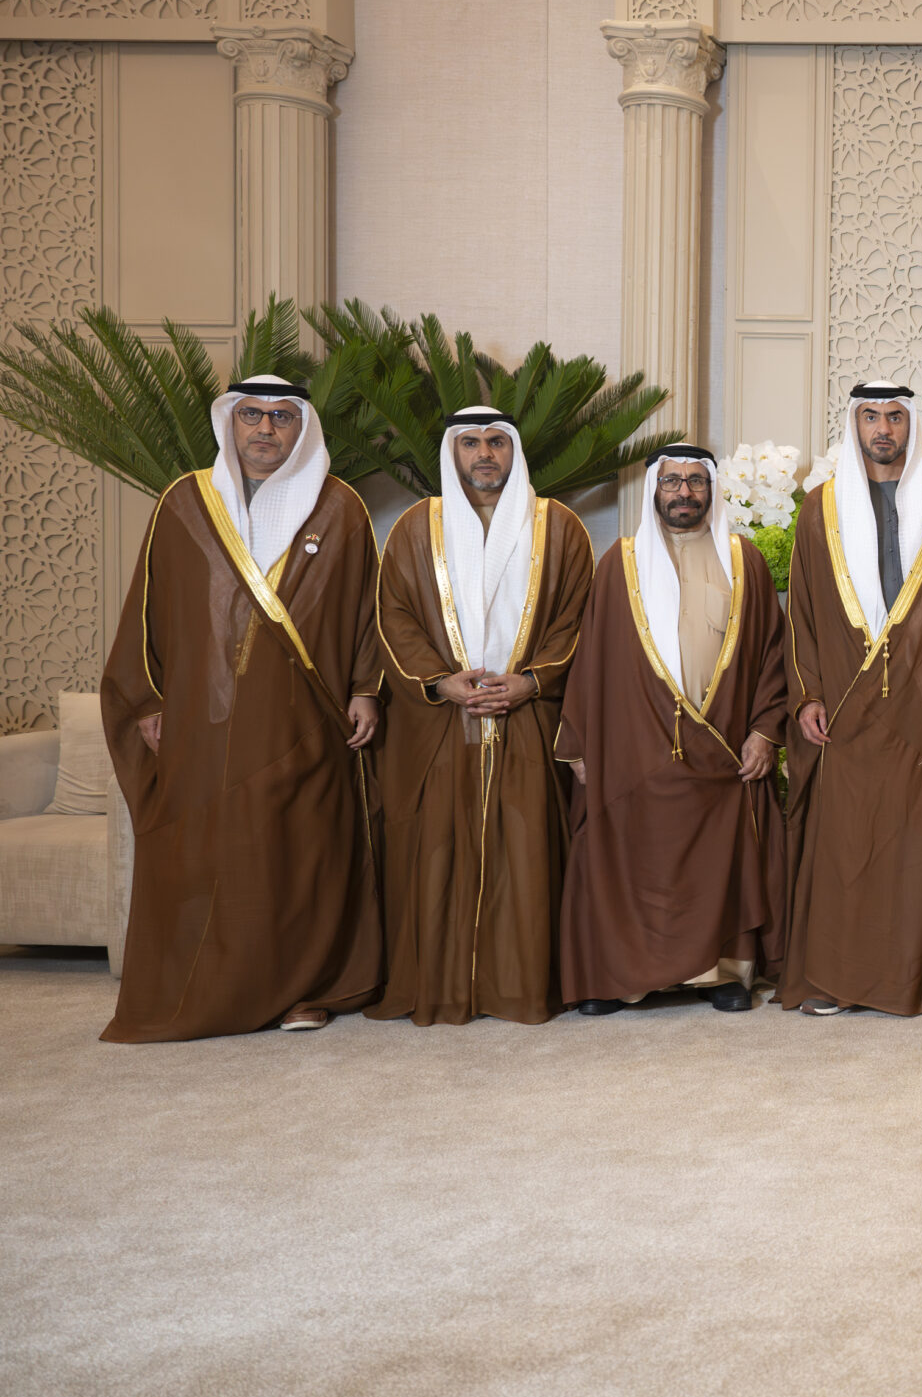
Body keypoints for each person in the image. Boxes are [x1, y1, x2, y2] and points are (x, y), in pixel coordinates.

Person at [97, 376, 384, 1041]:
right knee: (207, 854)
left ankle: (305, 989)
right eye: (251, 414)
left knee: (301, 856)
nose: (264, 429)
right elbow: (146, 609)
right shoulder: (184, 501)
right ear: (230, 422)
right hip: (205, 721)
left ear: (301, 427)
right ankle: (210, 989)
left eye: (281, 417)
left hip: (307, 718)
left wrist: (365, 688)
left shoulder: (341, 508)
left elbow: (368, 609)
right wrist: (148, 698)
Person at [780, 384, 922, 1017]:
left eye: (896, 417)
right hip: (845, 706)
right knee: (848, 846)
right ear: (854, 424)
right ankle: (837, 980)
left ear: (913, 423)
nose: (883, 429)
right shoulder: (820, 508)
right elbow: (800, 613)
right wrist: (807, 695)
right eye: (871, 417)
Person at [371, 406, 593, 1025]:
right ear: (453, 452)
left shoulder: (560, 527)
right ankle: (442, 990)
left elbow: (579, 618)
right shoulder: (416, 527)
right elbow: (394, 616)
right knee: (438, 849)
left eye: (496, 441)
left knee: (527, 849)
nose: (484, 454)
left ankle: (521, 988)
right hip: (442, 720)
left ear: (514, 449)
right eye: (470, 442)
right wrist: (440, 682)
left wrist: (531, 681)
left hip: (529, 716)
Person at [556, 444, 789, 1015]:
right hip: (635, 748)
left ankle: (723, 974)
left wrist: (764, 731)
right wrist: (579, 742)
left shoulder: (744, 561)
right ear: (653, 491)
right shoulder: (620, 564)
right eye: (671, 482)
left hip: (723, 748)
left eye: (695, 482)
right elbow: (591, 660)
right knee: (630, 857)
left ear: (711, 490)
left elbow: (772, 656)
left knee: (720, 861)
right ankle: (623, 977)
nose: (684, 493)